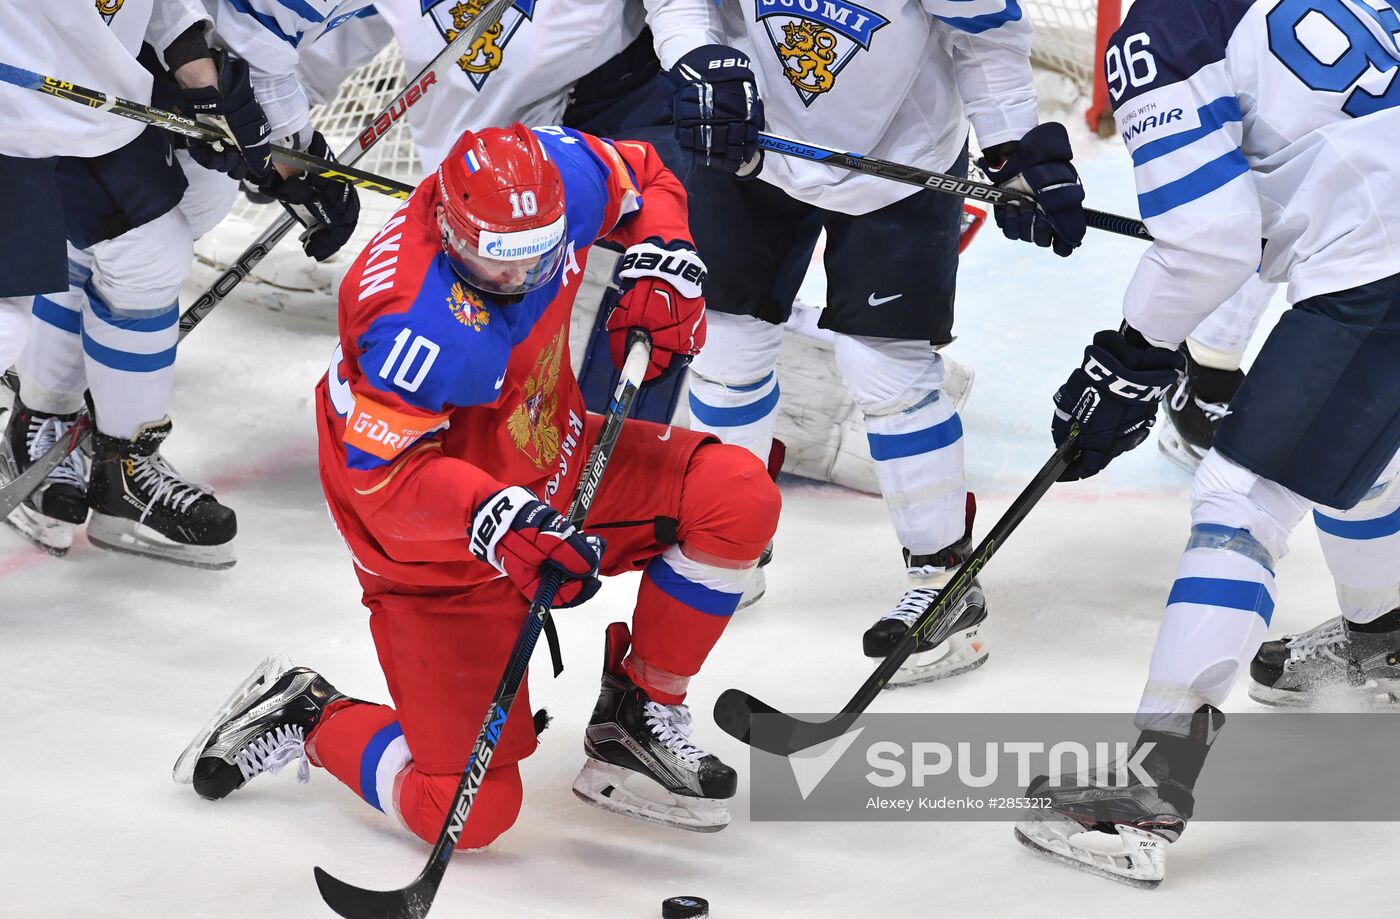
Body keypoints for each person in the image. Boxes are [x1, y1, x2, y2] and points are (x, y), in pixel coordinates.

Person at [176, 123, 781, 844]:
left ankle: (637, 716)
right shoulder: (412, 323)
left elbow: (645, 175)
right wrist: (491, 516)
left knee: (736, 495)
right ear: (448, 226)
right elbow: (385, 482)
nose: (521, 281)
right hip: (436, 546)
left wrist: (664, 255)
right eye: (497, 265)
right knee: (469, 815)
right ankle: (309, 713)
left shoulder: (553, 176)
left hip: (550, 453)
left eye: (539, 256)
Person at [1016, 0, 1400, 887]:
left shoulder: (1167, 27)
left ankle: (1140, 798)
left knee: (1244, 498)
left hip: (1379, 263)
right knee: (1356, 442)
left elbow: (1211, 242)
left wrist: (1128, 355)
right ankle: (1386, 635)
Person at [673, 0, 1087, 682]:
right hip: (750, 144)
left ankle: (945, 580)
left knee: (884, 367)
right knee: (722, 345)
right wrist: (696, 56)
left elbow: (986, 37)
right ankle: (731, 539)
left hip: (899, 159)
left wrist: (1014, 148)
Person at [0, 0, 275, 562]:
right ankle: (81, 445)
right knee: (17, 315)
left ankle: (72, 437)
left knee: (176, 222)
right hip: (16, 116)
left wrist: (195, 65)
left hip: (95, 98)